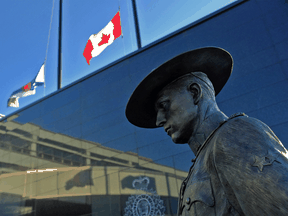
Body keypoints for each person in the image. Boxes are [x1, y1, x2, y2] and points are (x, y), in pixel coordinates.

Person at [125, 47, 288, 216]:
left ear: (195, 93)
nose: (159, 121)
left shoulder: (233, 135)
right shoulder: (200, 165)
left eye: (163, 106)